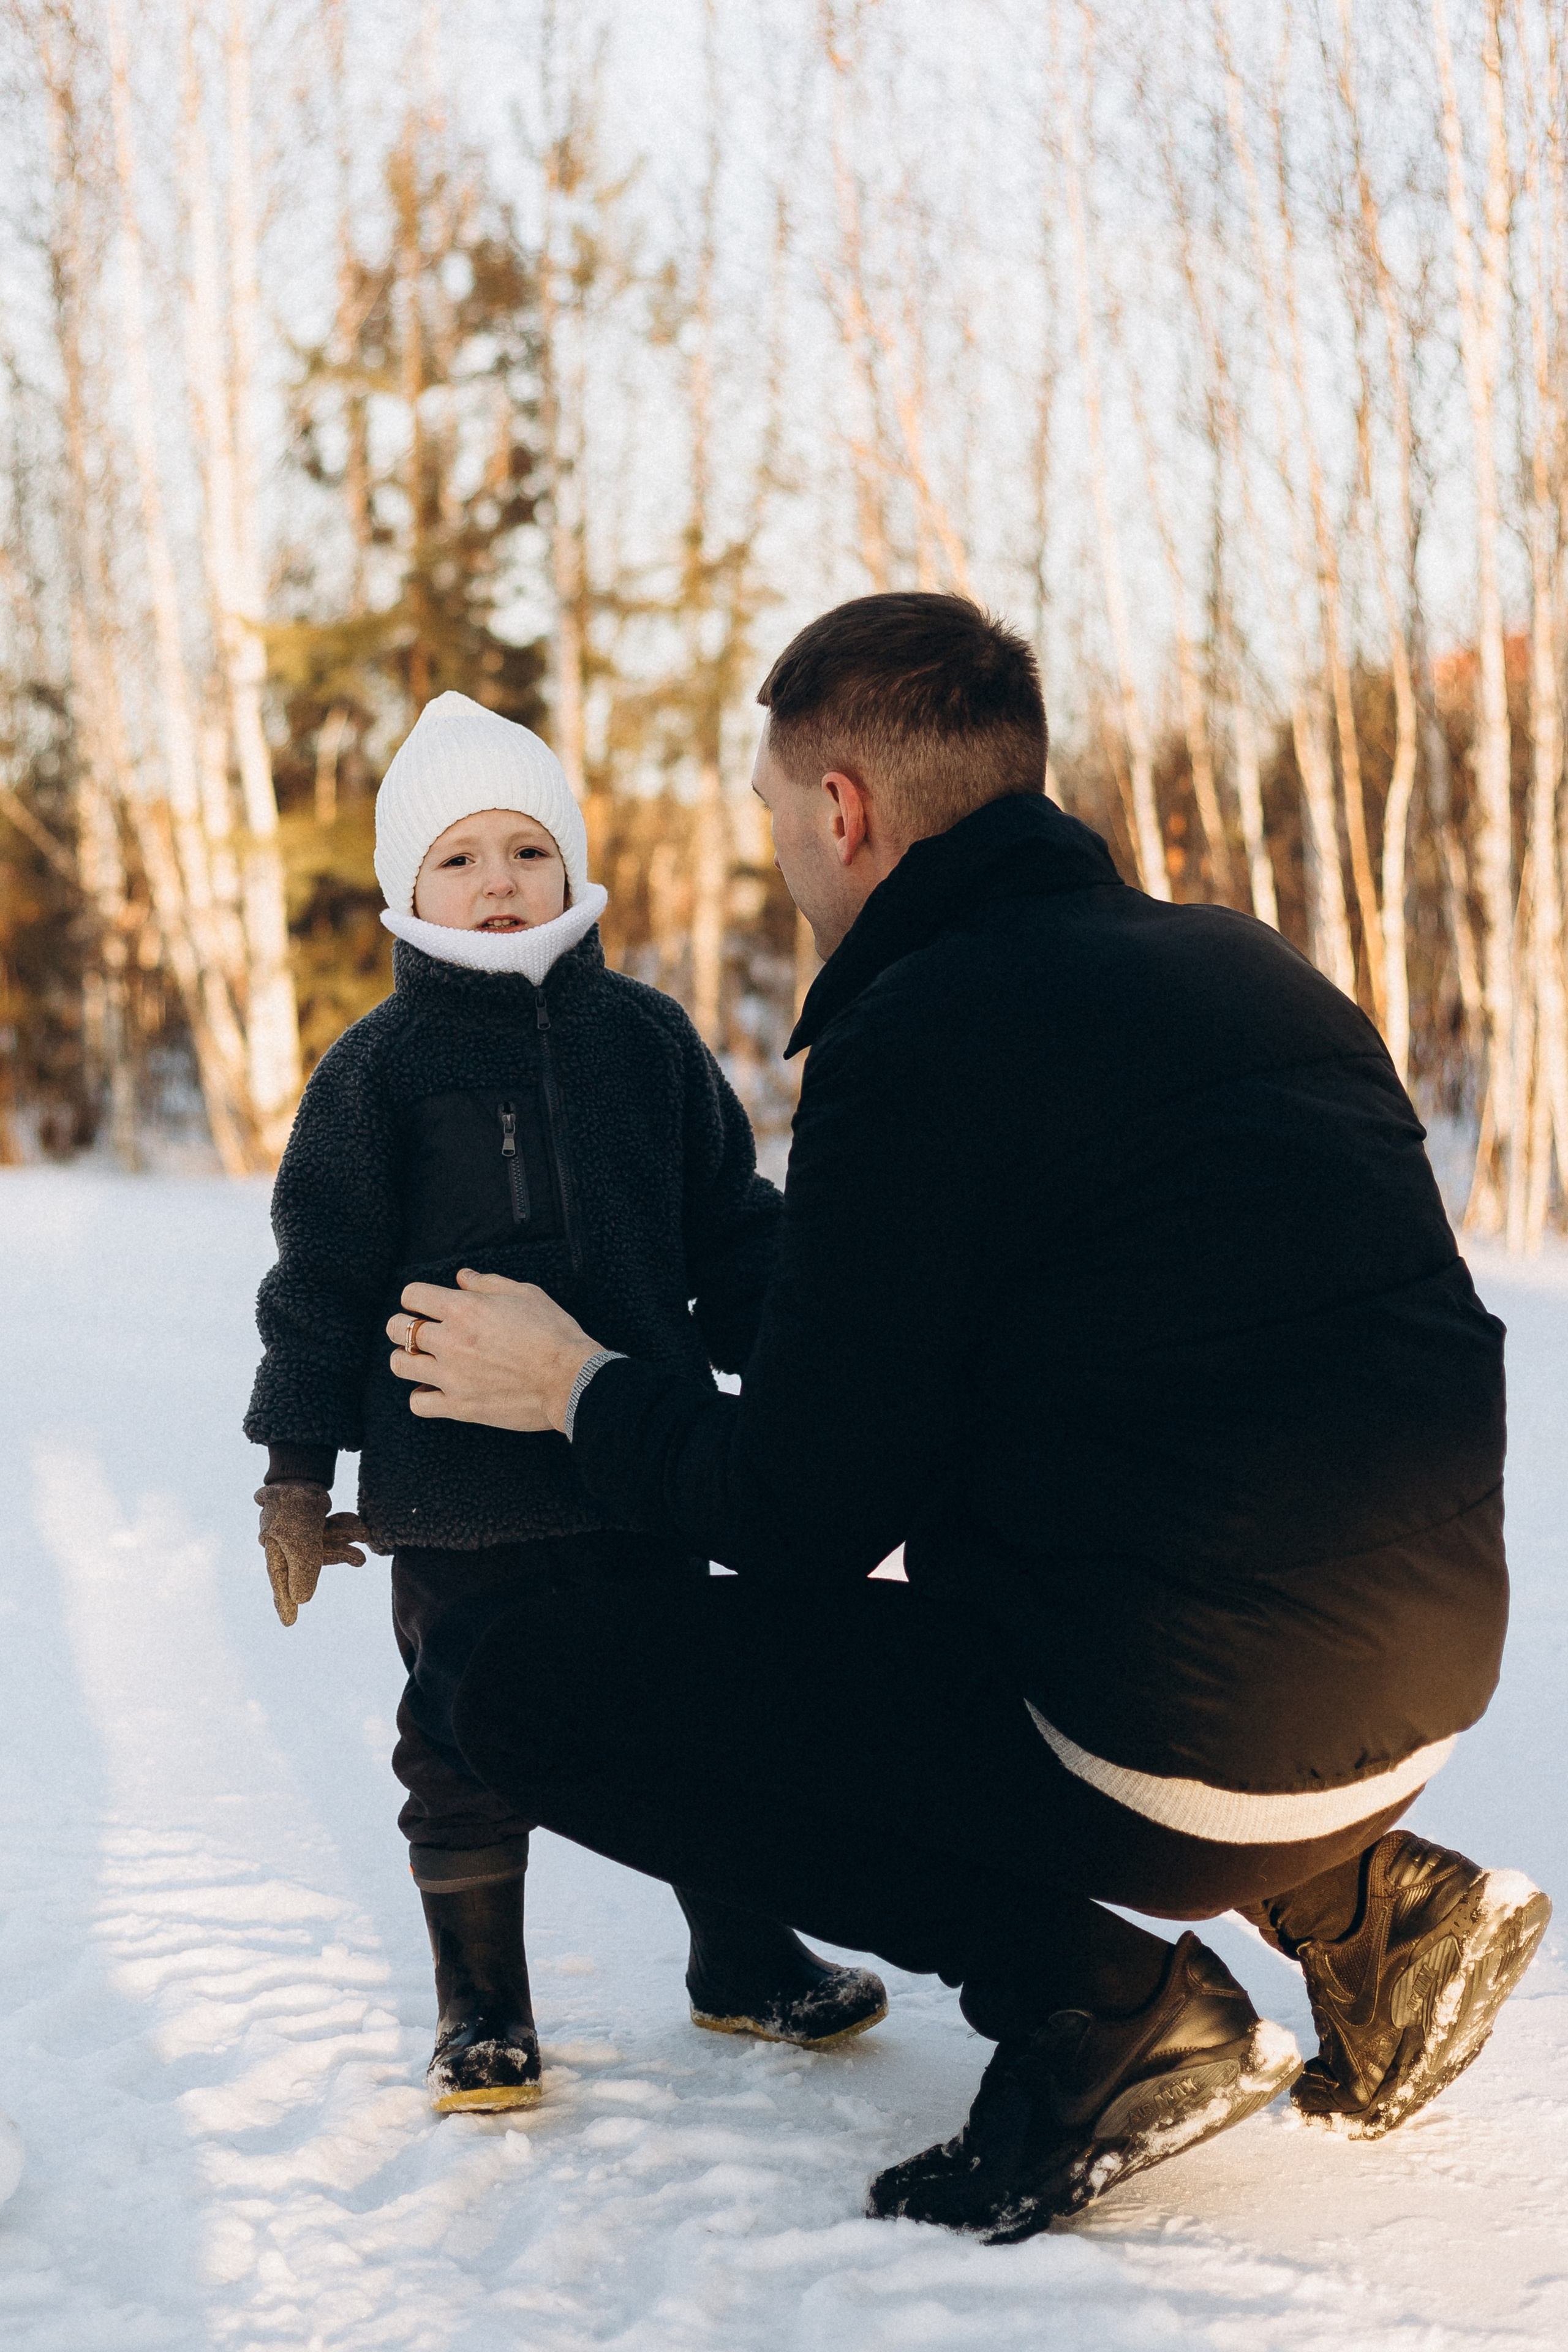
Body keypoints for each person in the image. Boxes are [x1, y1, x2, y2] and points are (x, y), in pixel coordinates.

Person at [380, 598, 1550, 2239]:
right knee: (1096, 1506)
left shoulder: (916, 1033)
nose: (782, 850)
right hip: (1421, 1701)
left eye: (779, 813)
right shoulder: (1245, 964)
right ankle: (1374, 1913)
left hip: (1179, 1755)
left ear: (843, 809)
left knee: (510, 1689)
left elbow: (799, 1523)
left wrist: (571, 1388)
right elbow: (1034, 1328)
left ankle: (1100, 2010)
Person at [243, 690, 887, 2116]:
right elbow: (320, 1285)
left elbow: (731, 1230)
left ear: (573, 866)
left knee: (693, 1709)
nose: (497, 883)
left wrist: (800, 1373)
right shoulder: (376, 1073)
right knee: (462, 1735)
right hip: (457, 1499)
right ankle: (481, 2005)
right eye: (459, 856)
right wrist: (296, 1471)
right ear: (408, 889)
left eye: (526, 850)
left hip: (638, 1462)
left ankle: (740, 1952)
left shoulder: (645, 1043)